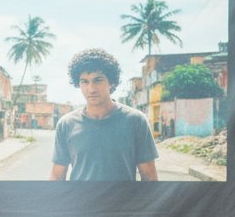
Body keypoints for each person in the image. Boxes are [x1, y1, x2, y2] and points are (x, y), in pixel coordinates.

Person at [49, 48, 159, 181]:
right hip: (80, 201)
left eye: (98, 80)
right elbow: (57, 175)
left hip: (123, 201)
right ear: (78, 84)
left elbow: (149, 176)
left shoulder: (135, 120)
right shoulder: (66, 124)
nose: (91, 89)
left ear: (111, 82)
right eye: (84, 81)